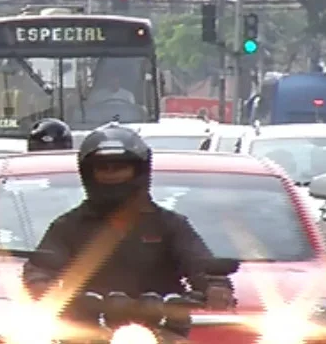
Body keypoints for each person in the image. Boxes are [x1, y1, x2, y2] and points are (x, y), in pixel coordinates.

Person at [22, 123, 234, 311]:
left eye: (120, 167)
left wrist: (216, 288)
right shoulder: (67, 226)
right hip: (87, 331)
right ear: (89, 173)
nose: (111, 174)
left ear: (139, 171)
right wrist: (43, 291)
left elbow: (201, 263)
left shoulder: (169, 224)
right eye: (104, 168)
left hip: (164, 329)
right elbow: (40, 269)